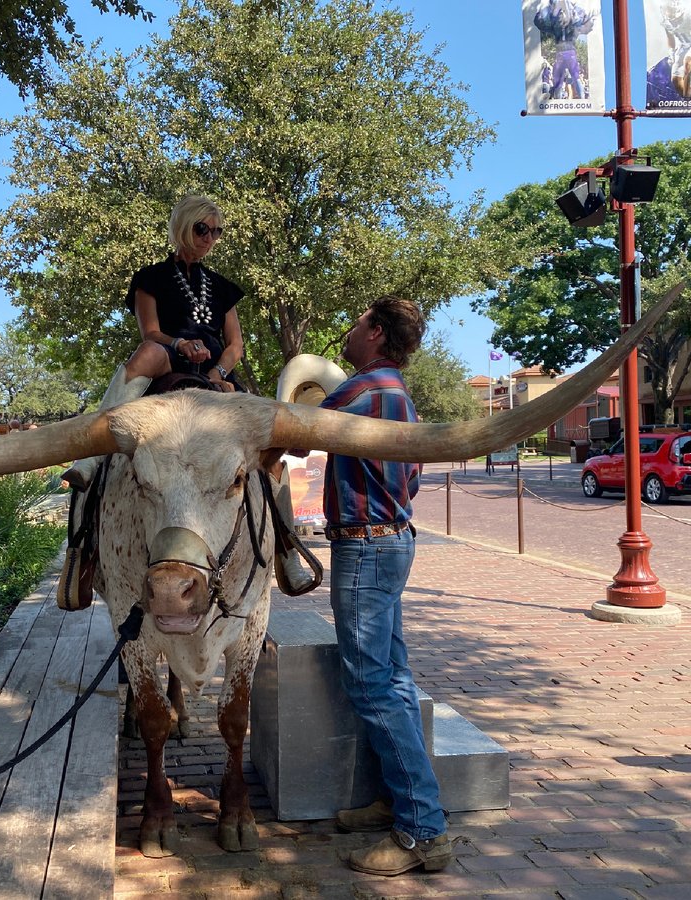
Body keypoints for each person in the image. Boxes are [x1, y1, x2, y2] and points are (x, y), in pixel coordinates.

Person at [63, 194, 312, 592]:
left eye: (217, 231)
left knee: (272, 451)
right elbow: (151, 332)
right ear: (182, 226)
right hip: (169, 360)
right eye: (202, 229)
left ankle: (288, 550)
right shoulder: (150, 278)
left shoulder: (222, 287)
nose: (210, 238)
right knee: (145, 353)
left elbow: (235, 345)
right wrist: (179, 344)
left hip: (215, 373)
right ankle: (87, 484)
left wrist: (218, 372)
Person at [320, 295, 450, 876]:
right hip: (394, 540)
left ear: (374, 331)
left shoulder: (362, 389)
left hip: (365, 546)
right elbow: (411, 478)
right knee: (394, 678)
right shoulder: (401, 397)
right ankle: (400, 800)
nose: (348, 331)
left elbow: (291, 437)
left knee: (371, 684)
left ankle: (422, 830)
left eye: (356, 321)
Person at [534, 0, 595, 100]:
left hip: (560, 55)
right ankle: (582, 99)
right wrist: (584, 16)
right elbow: (588, 27)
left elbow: (540, 25)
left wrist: (540, 13)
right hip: (570, 54)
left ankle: (564, 99)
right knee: (575, 78)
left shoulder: (557, 27)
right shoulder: (574, 27)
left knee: (559, 81)